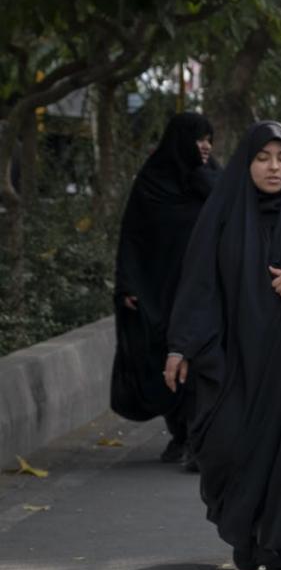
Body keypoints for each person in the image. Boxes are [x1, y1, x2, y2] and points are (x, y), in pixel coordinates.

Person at [164, 121, 281, 570]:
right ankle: (245, 535)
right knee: (227, 444)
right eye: (263, 157)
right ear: (247, 162)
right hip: (231, 357)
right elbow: (198, 280)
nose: (274, 167)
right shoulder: (223, 213)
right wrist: (182, 346)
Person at [111, 112, 219, 465]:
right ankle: (179, 433)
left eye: (209, 139)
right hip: (158, 289)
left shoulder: (212, 180)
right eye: (199, 139)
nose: (205, 146)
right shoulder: (151, 182)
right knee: (163, 358)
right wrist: (127, 283)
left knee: (198, 357)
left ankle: (194, 435)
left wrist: (204, 180)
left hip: (201, 289)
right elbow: (133, 236)